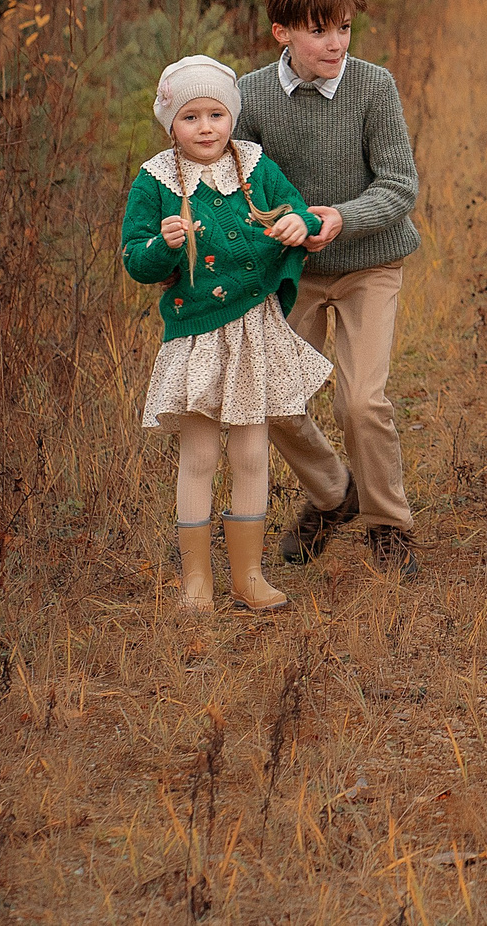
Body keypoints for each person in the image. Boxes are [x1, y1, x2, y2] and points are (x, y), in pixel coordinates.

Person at [121, 55, 335, 614]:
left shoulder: (256, 166)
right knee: (198, 454)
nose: (206, 127)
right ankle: (196, 582)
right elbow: (135, 259)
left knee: (251, 451)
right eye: (190, 117)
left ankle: (249, 576)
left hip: (254, 331)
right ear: (171, 124)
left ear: (232, 117)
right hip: (196, 338)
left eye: (216, 113)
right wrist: (164, 246)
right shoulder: (156, 181)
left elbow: (300, 216)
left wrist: (299, 224)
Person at [242, 0, 426, 578]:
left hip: (370, 263)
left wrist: (340, 219)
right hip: (293, 271)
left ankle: (388, 524)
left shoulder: (374, 86)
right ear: (281, 34)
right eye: (319, 31)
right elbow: (233, 188)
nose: (337, 43)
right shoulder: (250, 97)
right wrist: (274, 224)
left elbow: (400, 186)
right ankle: (333, 493)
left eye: (344, 28)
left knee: (361, 402)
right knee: (272, 397)